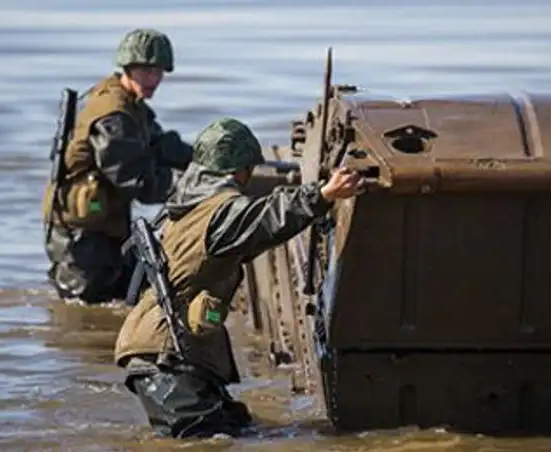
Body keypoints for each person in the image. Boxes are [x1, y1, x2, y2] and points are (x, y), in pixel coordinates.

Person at [113, 117, 365, 438]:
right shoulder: (221, 213)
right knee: (203, 441)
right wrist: (324, 194)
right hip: (165, 357)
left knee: (240, 430)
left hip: (175, 353)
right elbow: (268, 218)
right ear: (239, 171)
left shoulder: (189, 202)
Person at [41, 28, 194, 305]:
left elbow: (158, 145)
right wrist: (188, 186)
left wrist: (204, 159)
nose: (154, 79)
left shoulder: (130, 104)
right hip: (82, 233)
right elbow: (134, 180)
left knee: (126, 296)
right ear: (128, 68)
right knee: (85, 313)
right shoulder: (114, 115)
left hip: (104, 223)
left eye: (159, 72)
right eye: (146, 71)